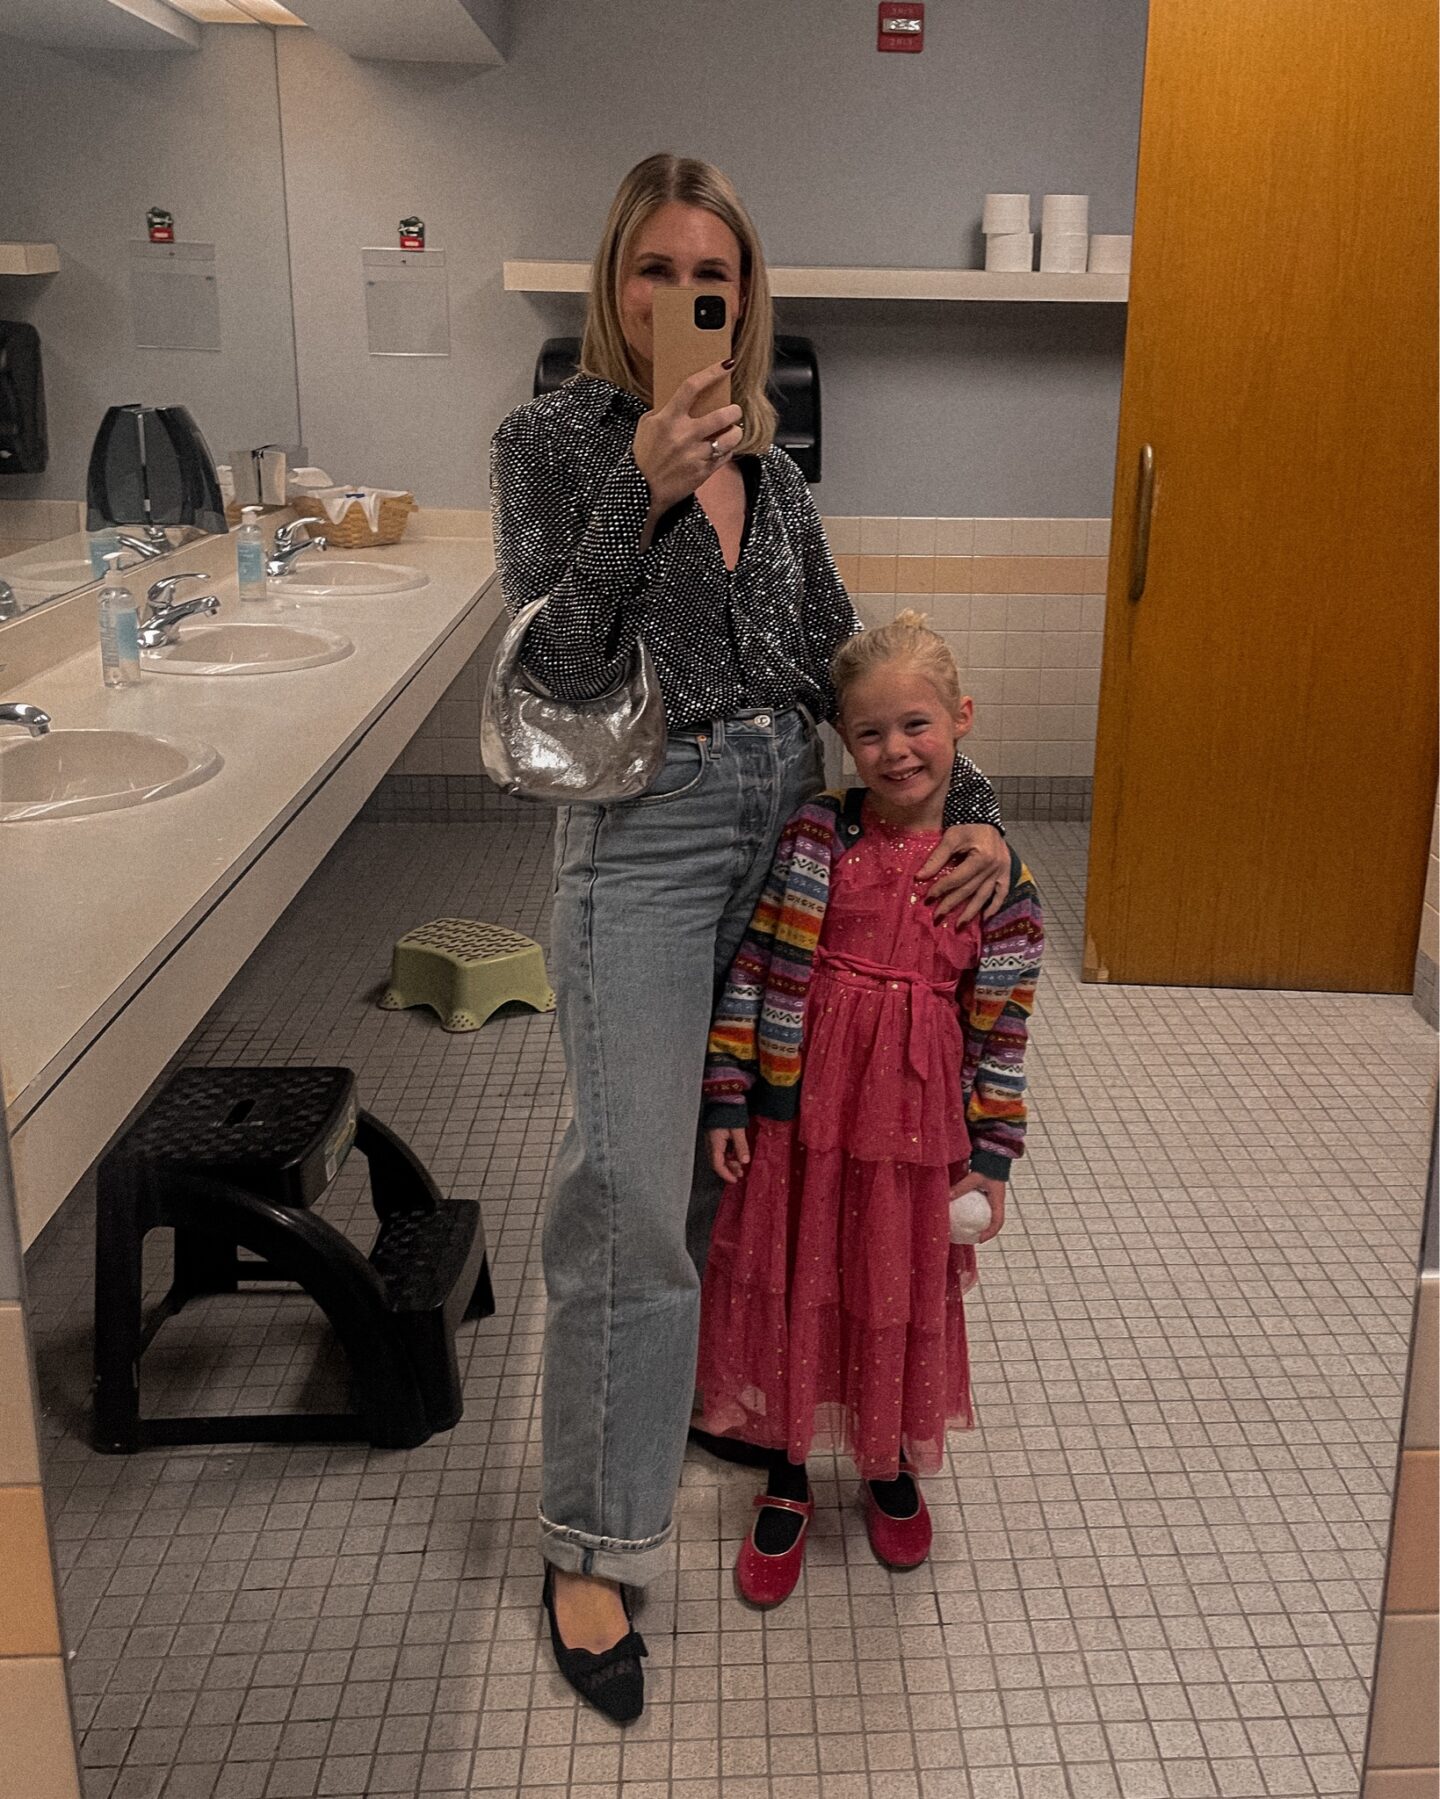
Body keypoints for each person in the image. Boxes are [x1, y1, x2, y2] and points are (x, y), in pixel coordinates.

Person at [490, 153, 1012, 1724]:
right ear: (611, 283)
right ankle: (592, 1535)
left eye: (708, 277)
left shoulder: (777, 480)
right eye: (652, 270)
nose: (679, 301)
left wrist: (968, 793)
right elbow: (557, 659)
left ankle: (684, 1403)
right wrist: (641, 487)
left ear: (745, 297)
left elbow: (845, 667)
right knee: (629, 1190)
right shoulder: (551, 443)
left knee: (743, 1158)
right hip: (642, 838)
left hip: (784, 834)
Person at [697, 612, 1044, 1605]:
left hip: (913, 1137)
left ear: (962, 719)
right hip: (800, 1121)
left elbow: (1005, 1027)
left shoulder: (995, 881)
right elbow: (758, 966)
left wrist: (994, 1156)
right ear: (845, 743)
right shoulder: (820, 833)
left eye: (917, 724)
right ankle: (789, 1471)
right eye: (870, 733)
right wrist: (730, 1092)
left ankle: (887, 1461)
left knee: (892, 1288)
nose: (896, 750)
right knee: (799, 1277)